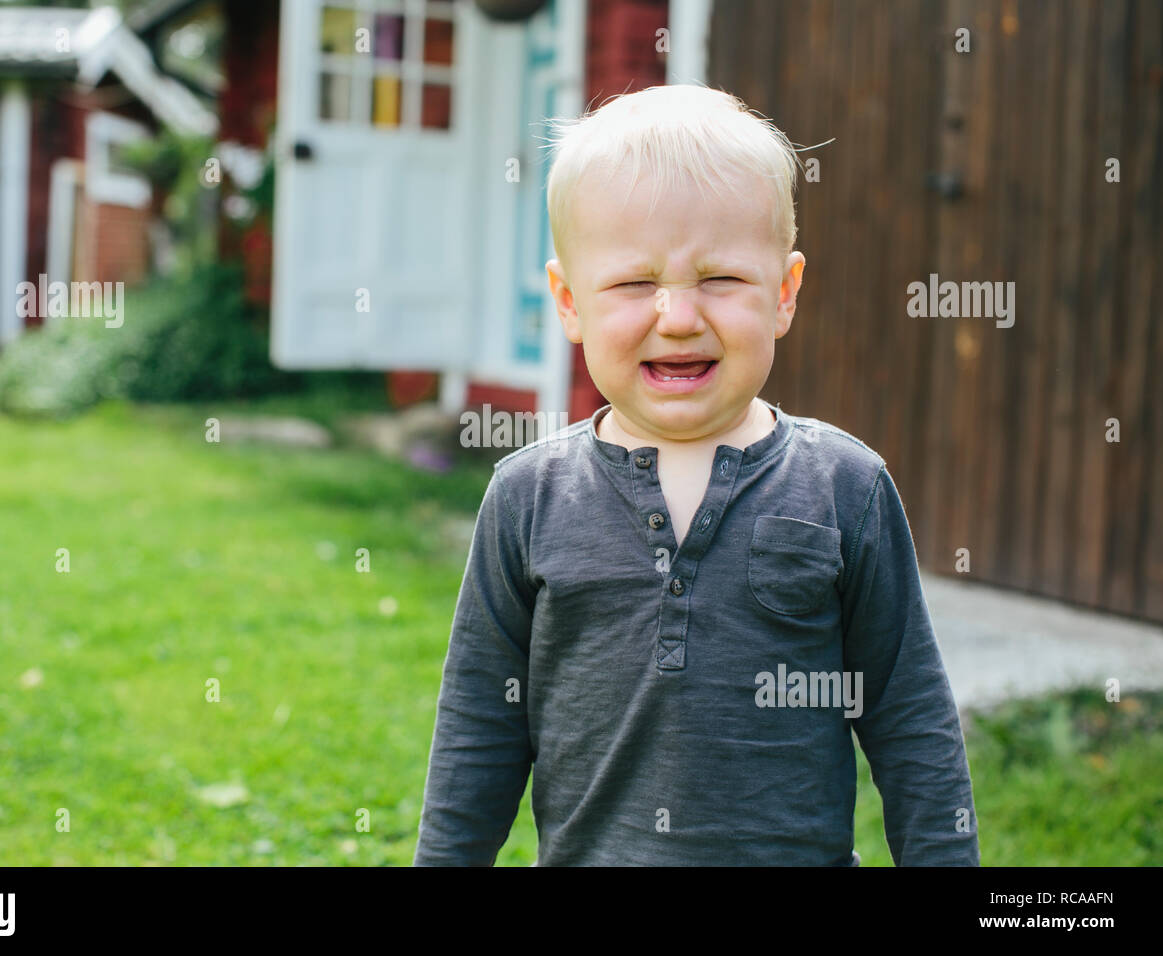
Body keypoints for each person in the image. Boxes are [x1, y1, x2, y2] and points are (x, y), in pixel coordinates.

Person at [413, 84, 979, 866]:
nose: (677, 316)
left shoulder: (846, 487)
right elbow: (480, 722)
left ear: (783, 294)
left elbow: (908, 712)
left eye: (720, 278)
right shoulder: (527, 498)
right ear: (570, 301)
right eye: (634, 283)